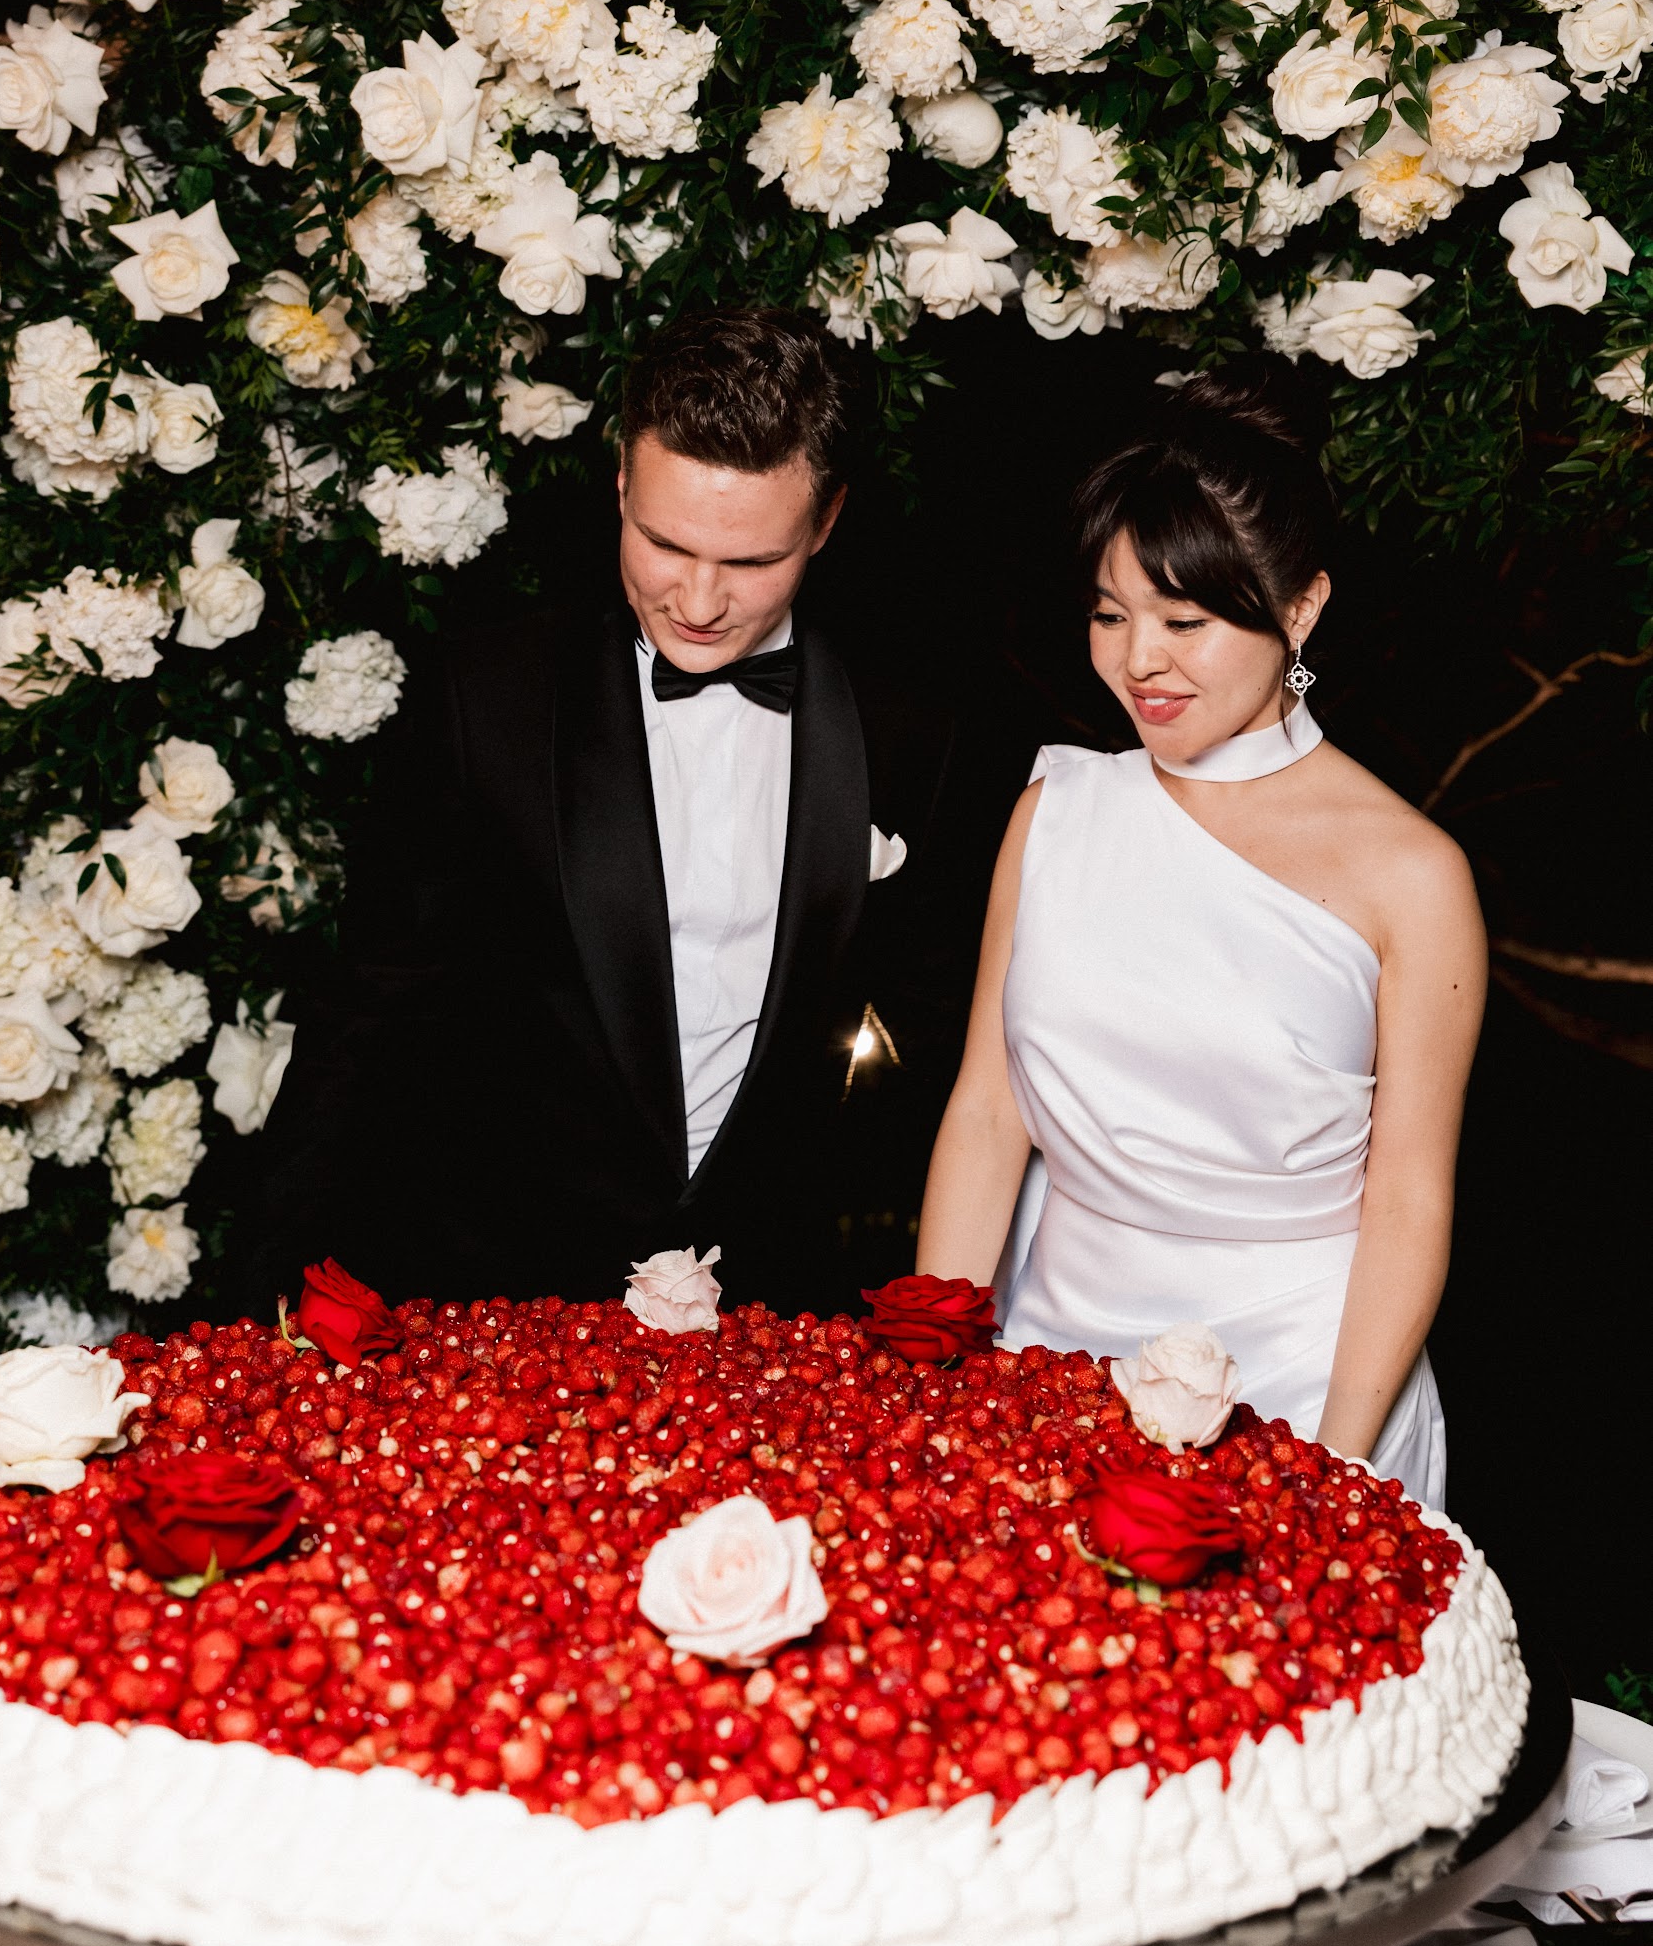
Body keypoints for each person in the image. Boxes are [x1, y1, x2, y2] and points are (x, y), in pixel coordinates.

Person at [236, 308, 977, 1315]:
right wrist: (264, 1304)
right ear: (622, 482)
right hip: (496, 1300)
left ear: (826, 522)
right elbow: (363, 1018)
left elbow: (940, 1051)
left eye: (752, 562)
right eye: (664, 543)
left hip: (775, 1315)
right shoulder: (482, 700)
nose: (700, 602)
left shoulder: (910, 727)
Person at [915, 365, 1486, 1505]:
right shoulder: (1055, 811)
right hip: (1046, 1353)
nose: (1139, 661)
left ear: (1301, 609)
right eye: (1110, 614)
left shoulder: (1413, 876)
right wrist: (931, 1377)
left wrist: (1338, 1464)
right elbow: (987, 1112)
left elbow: (1408, 1200)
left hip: (1304, 1380)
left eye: (1185, 621)